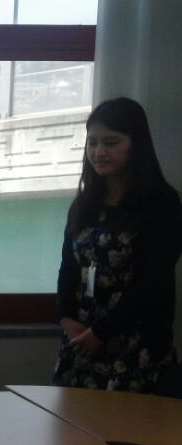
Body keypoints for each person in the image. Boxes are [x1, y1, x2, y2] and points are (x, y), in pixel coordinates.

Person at [54, 97, 182, 393]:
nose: (99, 152)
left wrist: (102, 331)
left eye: (111, 143)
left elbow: (154, 283)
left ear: (136, 145)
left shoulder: (162, 204)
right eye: (92, 143)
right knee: (72, 420)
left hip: (135, 343)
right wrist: (65, 317)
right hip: (82, 340)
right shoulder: (84, 203)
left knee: (129, 421)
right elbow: (69, 268)